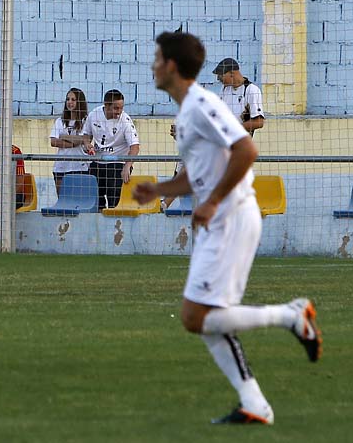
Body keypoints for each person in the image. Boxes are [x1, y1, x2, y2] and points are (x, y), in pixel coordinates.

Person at [134, 31, 321, 425]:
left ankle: (291, 316)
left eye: (156, 59)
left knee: (196, 317)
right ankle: (254, 403)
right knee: (204, 319)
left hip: (232, 216)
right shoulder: (186, 113)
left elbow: (246, 149)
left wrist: (215, 200)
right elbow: (200, 173)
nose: (153, 65)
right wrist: (161, 189)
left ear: (171, 65)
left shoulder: (203, 104)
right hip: (217, 219)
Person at [82, 89, 140, 209]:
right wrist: (87, 144)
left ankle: (116, 225)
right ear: (106, 106)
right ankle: (97, 224)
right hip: (98, 161)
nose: (119, 112)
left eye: (121, 108)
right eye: (116, 108)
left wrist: (127, 166)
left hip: (117, 162)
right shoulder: (94, 115)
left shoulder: (125, 121)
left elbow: (135, 146)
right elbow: (86, 135)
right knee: (95, 200)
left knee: (115, 199)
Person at [50, 88, 90, 194]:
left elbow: (83, 140)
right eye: (68, 99)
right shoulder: (60, 121)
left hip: (80, 166)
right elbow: (53, 142)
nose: (70, 102)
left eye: (73, 100)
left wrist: (63, 136)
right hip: (61, 167)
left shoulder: (86, 121)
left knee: (79, 200)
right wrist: (75, 141)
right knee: (63, 201)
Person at [212, 57, 265, 136]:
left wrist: (233, 129)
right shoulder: (225, 89)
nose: (218, 78)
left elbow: (259, 122)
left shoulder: (251, 90)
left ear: (232, 73)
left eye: (221, 75)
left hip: (240, 140)